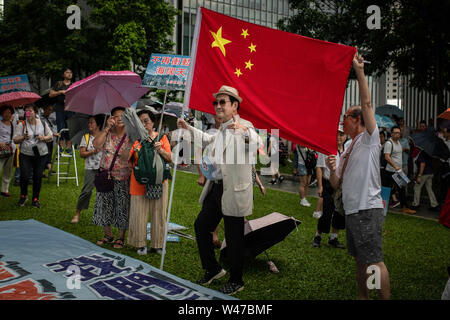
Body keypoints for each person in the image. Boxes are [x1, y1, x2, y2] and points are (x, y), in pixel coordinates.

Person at [177, 85, 261, 295]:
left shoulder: (245, 125)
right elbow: (207, 140)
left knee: (234, 238)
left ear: (234, 105)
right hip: (217, 188)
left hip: (235, 191)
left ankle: (236, 280)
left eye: (223, 102)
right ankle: (213, 269)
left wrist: (245, 133)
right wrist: (187, 128)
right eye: (216, 102)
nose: (218, 105)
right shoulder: (222, 128)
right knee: (200, 226)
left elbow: (257, 142)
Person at [327, 52, 390, 300]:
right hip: (352, 211)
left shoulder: (369, 139)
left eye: (345, 117)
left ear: (356, 120)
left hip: (367, 209)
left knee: (374, 261)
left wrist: (360, 71)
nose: (342, 121)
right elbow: (335, 184)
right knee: (360, 260)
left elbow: (366, 104)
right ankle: (363, 297)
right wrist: (333, 169)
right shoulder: (347, 149)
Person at [127, 109, 172, 255]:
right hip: (139, 181)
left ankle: (157, 244)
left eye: (146, 121)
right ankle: (140, 244)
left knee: (159, 212)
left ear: (153, 123)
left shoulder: (162, 138)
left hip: (159, 181)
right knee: (138, 212)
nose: (143, 124)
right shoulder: (134, 139)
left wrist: (161, 150)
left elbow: (170, 158)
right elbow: (129, 160)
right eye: (140, 121)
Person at [92, 106, 133, 249]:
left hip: (123, 176)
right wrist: (106, 128)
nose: (119, 118)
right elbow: (96, 145)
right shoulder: (107, 133)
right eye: (116, 116)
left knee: (122, 206)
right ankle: (108, 235)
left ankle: (121, 237)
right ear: (111, 118)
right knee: (104, 204)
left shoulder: (130, 136)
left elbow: (128, 156)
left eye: (123, 116)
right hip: (106, 175)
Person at [312, 126, 348, 249]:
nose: (339, 137)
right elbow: (319, 168)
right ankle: (318, 236)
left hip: (341, 186)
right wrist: (320, 186)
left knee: (339, 212)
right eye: (336, 134)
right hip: (328, 184)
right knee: (326, 212)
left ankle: (334, 237)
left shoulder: (347, 150)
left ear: (345, 136)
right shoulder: (326, 149)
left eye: (341, 134)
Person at [13, 104, 53, 208]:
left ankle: (35, 199)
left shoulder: (42, 123)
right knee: (25, 176)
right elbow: (15, 139)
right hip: (25, 154)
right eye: (26, 111)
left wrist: (42, 138)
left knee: (37, 176)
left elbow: (50, 136)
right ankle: (23, 196)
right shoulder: (22, 124)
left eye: (30, 111)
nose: (28, 113)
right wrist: (23, 137)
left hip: (41, 154)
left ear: (35, 112)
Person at [71, 115, 104, 223]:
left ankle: (100, 215)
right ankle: (77, 213)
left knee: (103, 193)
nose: (89, 124)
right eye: (89, 122)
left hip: (103, 168)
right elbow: (82, 154)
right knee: (86, 191)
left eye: (92, 122)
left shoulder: (105, 136)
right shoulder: (86, 137)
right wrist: (93, 151)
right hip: (90, 167)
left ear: (98, 124)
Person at [383, 126, 416, 214]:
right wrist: (395, 166)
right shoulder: (389, 143)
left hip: (398, 171)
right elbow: (387, 157)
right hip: (390, 171)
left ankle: (404, 208)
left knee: (401, 189)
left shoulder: (398, 143)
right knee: (386, 189)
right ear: (392, 134)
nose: (398, 134)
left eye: (399, 132)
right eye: (396, 133)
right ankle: (381, 208)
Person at [49, 68, 73, 156]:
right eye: (67, 72)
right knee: (61, 128)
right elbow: (51, 94)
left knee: (69, 128)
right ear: (63, 75)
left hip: (70, 108)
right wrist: (60, 92)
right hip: (60, 108)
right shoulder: (59, 84)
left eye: (70, 72)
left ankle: (68, 148)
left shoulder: (73, 85)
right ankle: (60, 148)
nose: (69, 74)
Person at [0, 105, 16, 198]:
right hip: (1, 150)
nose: (7, 114)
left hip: (10, 150)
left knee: (8, 171)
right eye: (6, 112)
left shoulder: (13, 124)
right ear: (2, 113)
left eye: (9, 112)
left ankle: (4, 190)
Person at [40, 104, 59, 178]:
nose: (50, 112)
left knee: (49, 154)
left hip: (50, 140)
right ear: (45, 109)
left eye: (51, 110)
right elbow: (43, 130)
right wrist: (54, 134)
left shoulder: (48, 118)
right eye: (49, 110)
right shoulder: (41, 119)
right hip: (45, 140)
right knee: (44, 155)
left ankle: (49, 169)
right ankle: (42, 171)